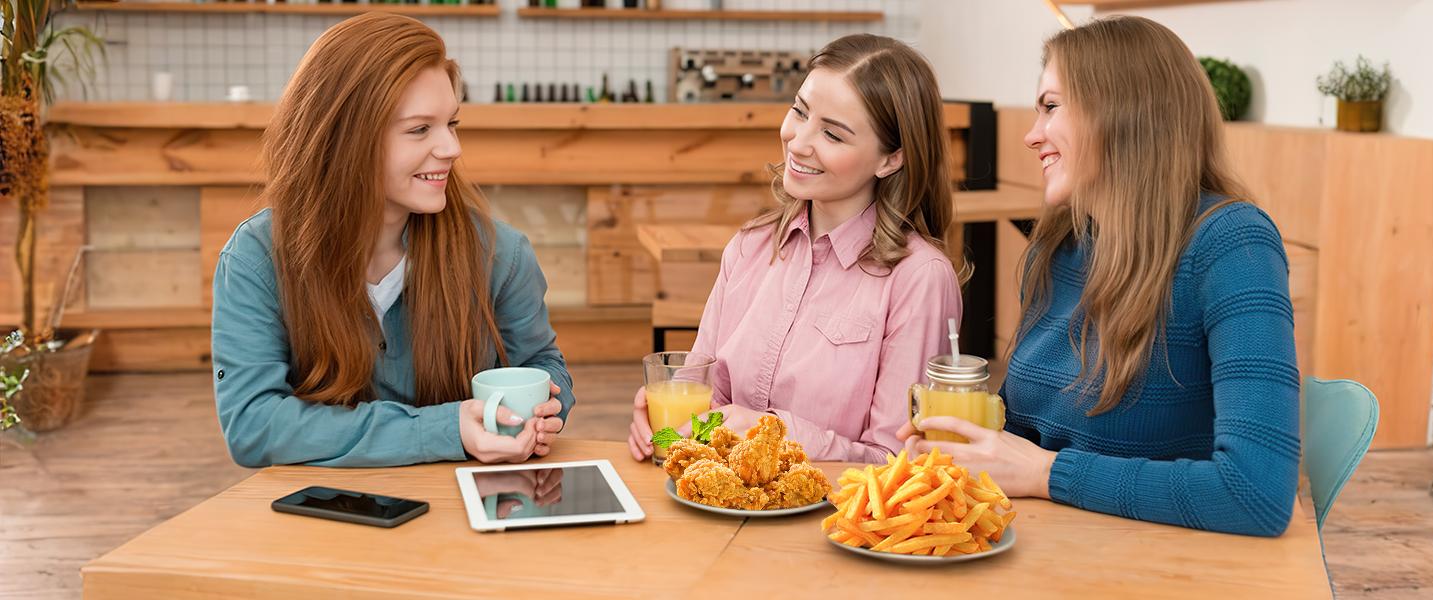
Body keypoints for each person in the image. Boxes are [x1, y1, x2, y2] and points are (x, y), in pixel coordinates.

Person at [899, 16, 1300, 537]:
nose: (1030, 135)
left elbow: (1255, 493)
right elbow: (1033, 432)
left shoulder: (1231, 243)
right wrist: (969, 438)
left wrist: (1046, 473)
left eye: (1050, 107)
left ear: (1122, 112)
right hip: (1051, 545)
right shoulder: (1059, 244)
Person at [212, 14, 571, 468]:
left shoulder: (502, 255)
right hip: (324, 520)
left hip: (466, 513)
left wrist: (547, 411)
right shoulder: (256, 258)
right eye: (420, 129)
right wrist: (443, 429)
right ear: (345, 139)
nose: (451, 148)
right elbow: (253, 425)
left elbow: (543, 363)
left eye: (452, 123)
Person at [628, 34, 965, 463]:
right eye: (800, 112)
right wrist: (666, 430)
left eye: (833, 135)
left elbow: (899, 461)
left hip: (832, 525)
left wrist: (775, 433)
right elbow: (707, 408)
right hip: (722, 513)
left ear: (891, 159)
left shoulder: (920, 278)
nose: (798, 142)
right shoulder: (750, 247)